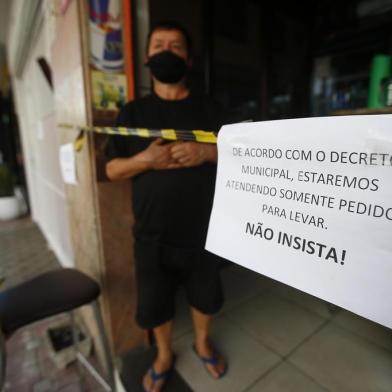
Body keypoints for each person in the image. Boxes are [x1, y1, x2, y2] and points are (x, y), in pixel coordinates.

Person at [105, 21, 227, 392]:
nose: (166, 52)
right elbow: (111, 169)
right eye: (159, 45)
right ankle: (162, 355)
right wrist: (145, 161)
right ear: (146, 57)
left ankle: (202, 343)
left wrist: (207, 151)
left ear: (188, 59)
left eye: (176, 46)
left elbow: (245, 155)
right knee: (156, 303)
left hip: (206, 231)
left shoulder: (211, 109)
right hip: (151, 234)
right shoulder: (132, 114)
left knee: (205, 296)